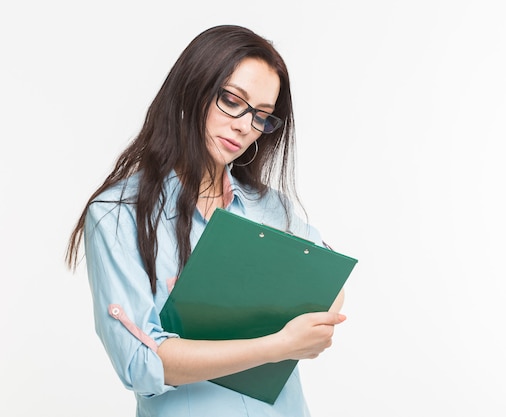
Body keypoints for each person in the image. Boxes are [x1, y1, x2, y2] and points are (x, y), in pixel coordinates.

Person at [66, 24, 346, 417]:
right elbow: (142, 364)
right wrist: (279, 344)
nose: (245, 126)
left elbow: (330, 283)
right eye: (233, 100)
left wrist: (312, 314)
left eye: (262, 116)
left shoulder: (269, 207)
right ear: (192, 89)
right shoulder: (117, 215)